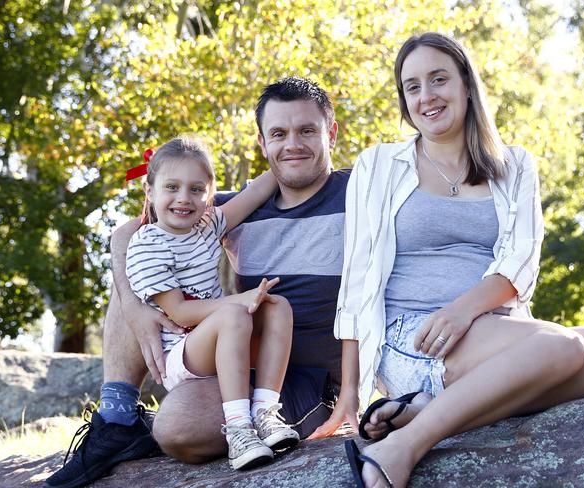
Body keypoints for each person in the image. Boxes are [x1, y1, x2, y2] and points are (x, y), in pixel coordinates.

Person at [336, 32, 584, 488]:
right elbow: (355, 280)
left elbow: (522, 259)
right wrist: (349, 398)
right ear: (404, 99)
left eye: (438, 80)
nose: (427, 96)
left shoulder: (515, 165)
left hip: (492, 328)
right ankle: (401, 447)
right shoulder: (377, 165)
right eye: (412, 86)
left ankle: (429, 410)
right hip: (413, 336)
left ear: (466, 85)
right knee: (565, 346)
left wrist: (464, 308)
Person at [46, 77, 356, 488]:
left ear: (330, 133)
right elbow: (129, 232)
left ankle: (243, 419)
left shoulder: (358, 194)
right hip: (232, 346)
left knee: (177, 428)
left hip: (306, 380)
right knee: (139, 275)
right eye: (279, 133)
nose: (292, 144)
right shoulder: (237, 207)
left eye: (307, 131)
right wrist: (137, 311)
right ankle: (118, 417)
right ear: (262, 143)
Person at [124, 135, 299, 470]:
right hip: (183, 352)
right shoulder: (146, 245)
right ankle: (238, 429)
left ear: (210, 193)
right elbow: (180, 312)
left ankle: (265, 413)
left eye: (196, 189)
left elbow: (255, 193)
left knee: (277, 307)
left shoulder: (207, 225)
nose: (183, 199)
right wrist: (241, 300)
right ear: (150, 191)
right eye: (171, 187)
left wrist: (284, 155)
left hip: (222, 335)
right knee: (235, 314)